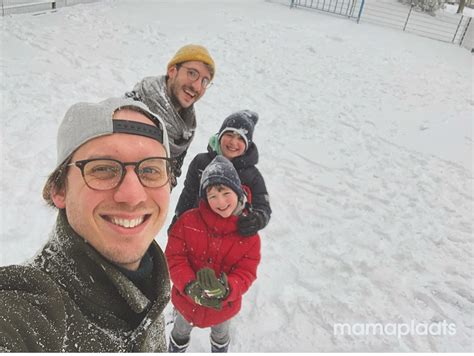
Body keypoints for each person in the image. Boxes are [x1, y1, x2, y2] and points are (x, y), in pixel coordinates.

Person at [0, 98, 173, 352]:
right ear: (59, 189)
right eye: (103, 169)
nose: (133, 195)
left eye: (150, 170)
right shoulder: (31, 307)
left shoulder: (152, 283)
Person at [165, 155, 261, 353]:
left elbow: (246, 272)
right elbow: (174, 258)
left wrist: (228, 289)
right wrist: (189, 286)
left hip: (223, 307)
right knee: (180, 331)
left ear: (237, 190)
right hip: (187, 301)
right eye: (212, 196)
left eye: (225, 192)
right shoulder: (188, 222)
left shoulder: (249, 236)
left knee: (220, 334)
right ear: (204, 198)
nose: (220, 201)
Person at [172, 110, 271, 236]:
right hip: (197, 232)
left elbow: (263, 207)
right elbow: (188, 195)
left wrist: (256, 219)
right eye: (229, 134)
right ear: (220, 136)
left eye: (241, 138)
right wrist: (177, 221)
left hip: (229, 240)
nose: (233, 142)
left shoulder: (252, 176)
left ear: (247, 145)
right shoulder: (201, 162)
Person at [126, 44, 215, 183]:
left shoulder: (185, 128)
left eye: (205, 81)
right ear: (172, 71)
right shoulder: (133, 106)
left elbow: (172, 174)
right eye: (192, 73)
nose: (197, 86)